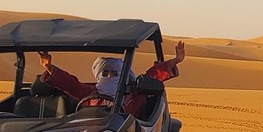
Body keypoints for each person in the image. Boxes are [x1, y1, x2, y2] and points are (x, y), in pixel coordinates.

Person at [37, 41, 186, 117]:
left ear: (122, 75)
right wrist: (49, 67)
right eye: (105, 73)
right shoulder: (90, 94)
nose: (109, 77)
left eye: (114, 74)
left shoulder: (133, 92)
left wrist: (176, 61)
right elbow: (69, 84)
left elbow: (153, 75)